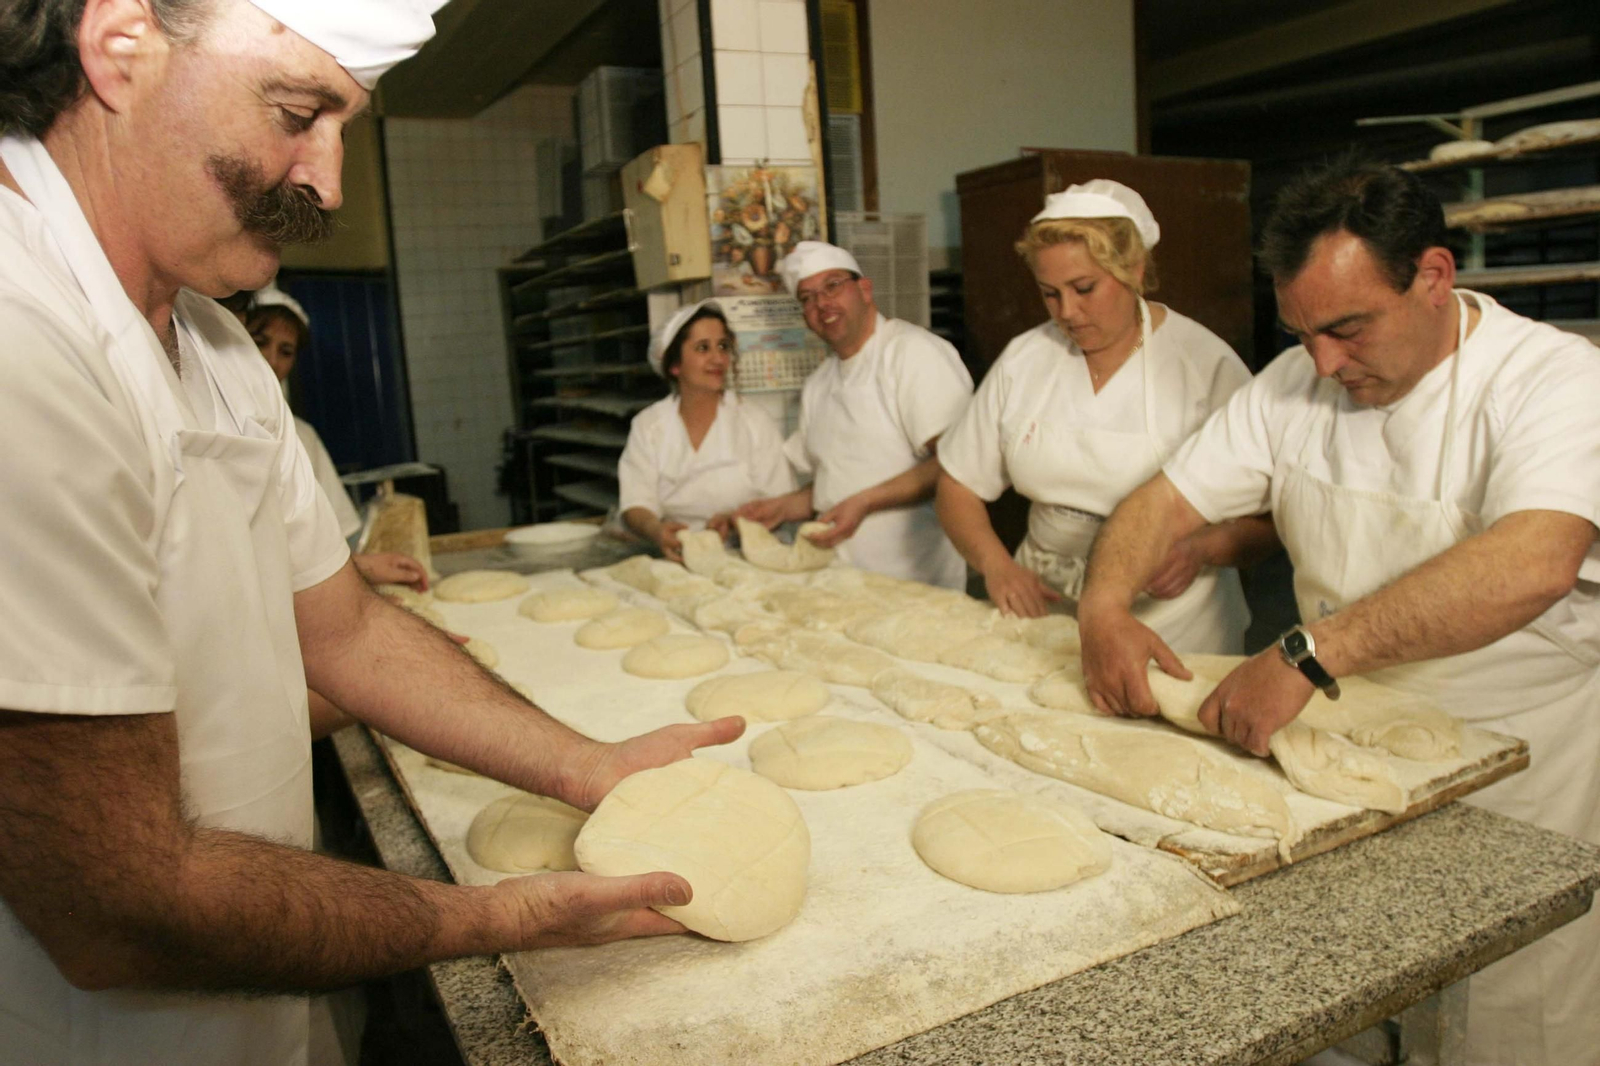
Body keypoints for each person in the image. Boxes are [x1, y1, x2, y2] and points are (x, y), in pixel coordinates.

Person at [0, 4, 742, 1064]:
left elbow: (344, 629)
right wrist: (492, 918)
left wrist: (590, 766)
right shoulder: (20, 343)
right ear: (121, 47)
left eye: (343, 124)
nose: (330, 183)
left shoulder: (214, 343)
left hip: (253, 980)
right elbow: (117, 909)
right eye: (296, 112)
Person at [1078, 157, 1600, 1066]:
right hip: (1340, 753)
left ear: (1433, 276)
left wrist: (1305, 654)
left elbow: (1534, 561)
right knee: (1351, 1000)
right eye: (1302, 331)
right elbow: (1163, 501)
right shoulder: (1294, 382)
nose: (1323, 361)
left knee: (1505, 1015)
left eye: (1348, 328)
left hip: (1517, 765)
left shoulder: (1551, 379)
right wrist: (1102, 606)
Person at [936, 181, 1275, 649]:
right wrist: (996, 567)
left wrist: (1201, 550)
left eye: (1084, 288)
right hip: (1044, 609)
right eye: (1050, 293)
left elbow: (1271, 519)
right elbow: (957, 484)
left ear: (1134, 269)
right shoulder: (1025, 358)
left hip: (1170, 620)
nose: (1068, 312)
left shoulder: (1204, 365)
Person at [737, 240, 974, 589]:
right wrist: (778, 509)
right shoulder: (818, 385)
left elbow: (958, 463)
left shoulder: (912, 353)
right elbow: (834, 484)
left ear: (864, 289)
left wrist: (865, 503)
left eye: (832, 286)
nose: (822, 304)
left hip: (914, 582)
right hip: (840, 582)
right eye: (807, 298)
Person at [246, 287, 427, 590]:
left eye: (286, 351)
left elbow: (334, 539)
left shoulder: (301, 437)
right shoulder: (201, 427)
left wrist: (367, 569)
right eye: (259, 342)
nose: (271, 360)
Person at [617, 298, 794, 563]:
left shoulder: (753, 421)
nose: (718, 358)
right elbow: (636, 503)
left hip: (750, 559)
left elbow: (781, 504)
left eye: (723, 346)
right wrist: (656, 530)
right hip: (678, 559)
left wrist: (735, 522)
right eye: (703, 348)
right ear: (675, 365)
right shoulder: (649, 426)